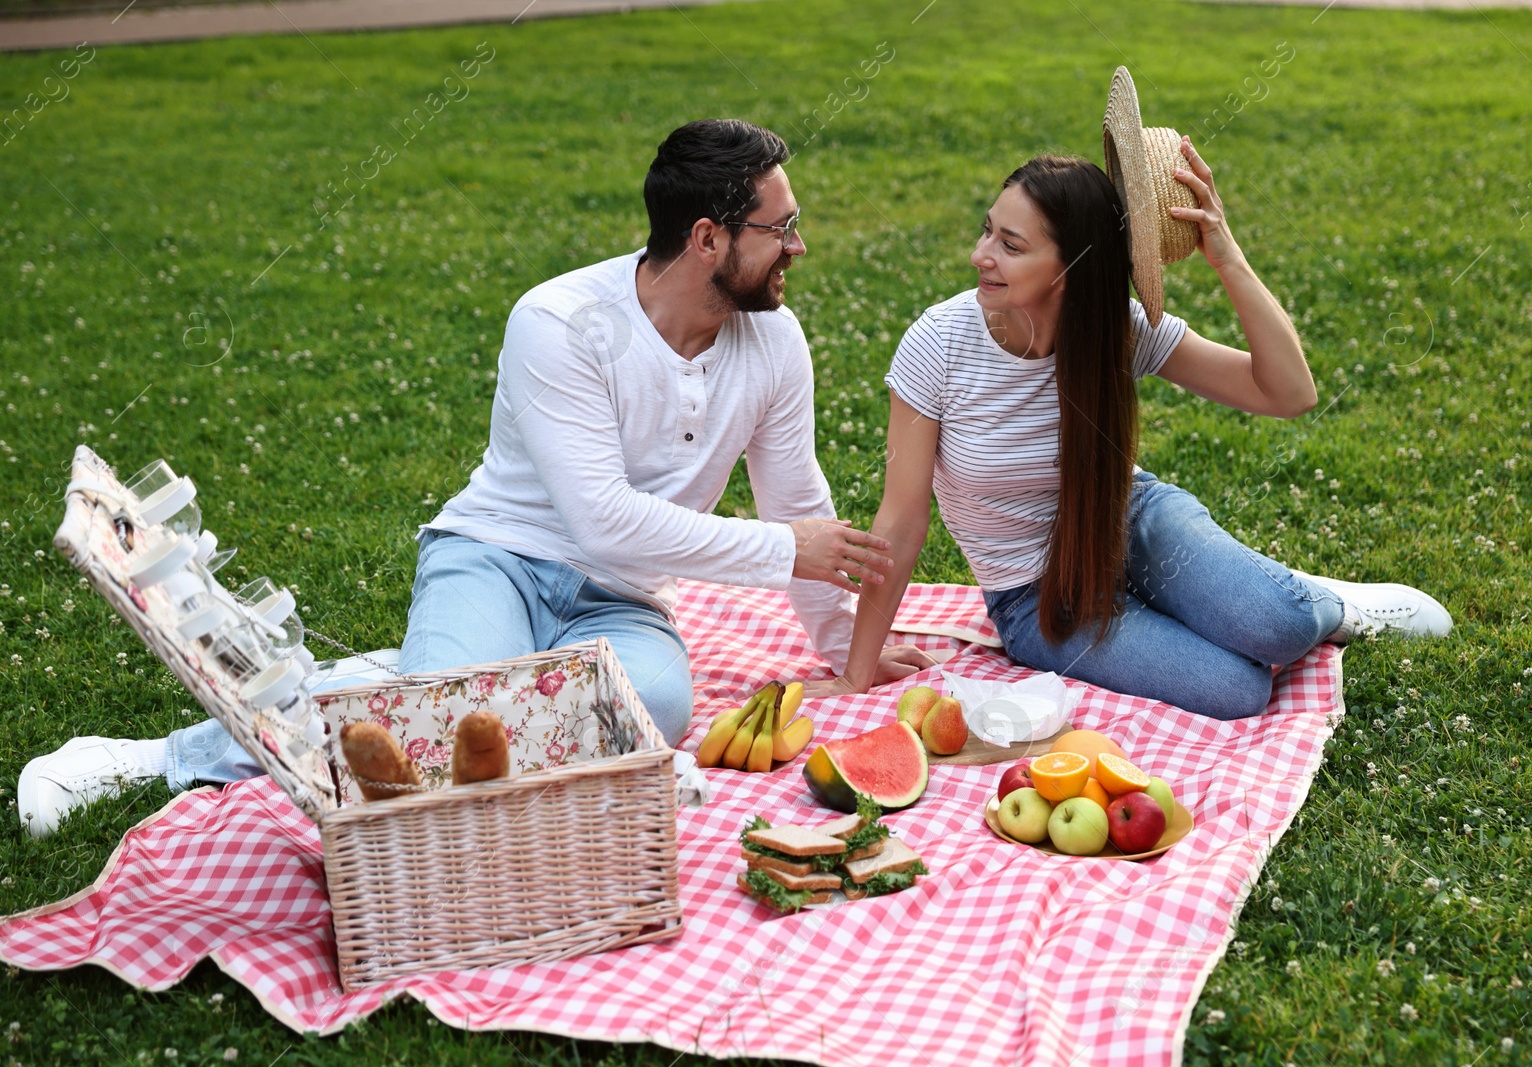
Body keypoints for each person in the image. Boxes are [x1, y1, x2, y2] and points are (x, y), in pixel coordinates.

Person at [18, 119, 934, 838]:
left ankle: (419, 669)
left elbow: (797, 503)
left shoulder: (774, 340)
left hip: (620, 602)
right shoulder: (562, 322)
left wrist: (839, 642)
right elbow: (608, 520)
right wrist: (787, 551)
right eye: (782, 228)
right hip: (497, 557)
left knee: (653, 706)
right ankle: (155, 755)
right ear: (707, 237)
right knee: (436, 726)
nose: (799, 247)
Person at [816, 90, 1449, 719]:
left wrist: (1224, 252)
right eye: (988, 230)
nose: (979, 255)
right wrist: (857, 669)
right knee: (1238, 691)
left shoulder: (1118, 329)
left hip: (1131, 524)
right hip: (1034, 598)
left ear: (1071, 268)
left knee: (1278, 629)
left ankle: (1323, 606)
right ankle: (1246, 597)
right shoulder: (939, 342)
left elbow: (1288, 393)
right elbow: (901, 521)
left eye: (1011, 245)